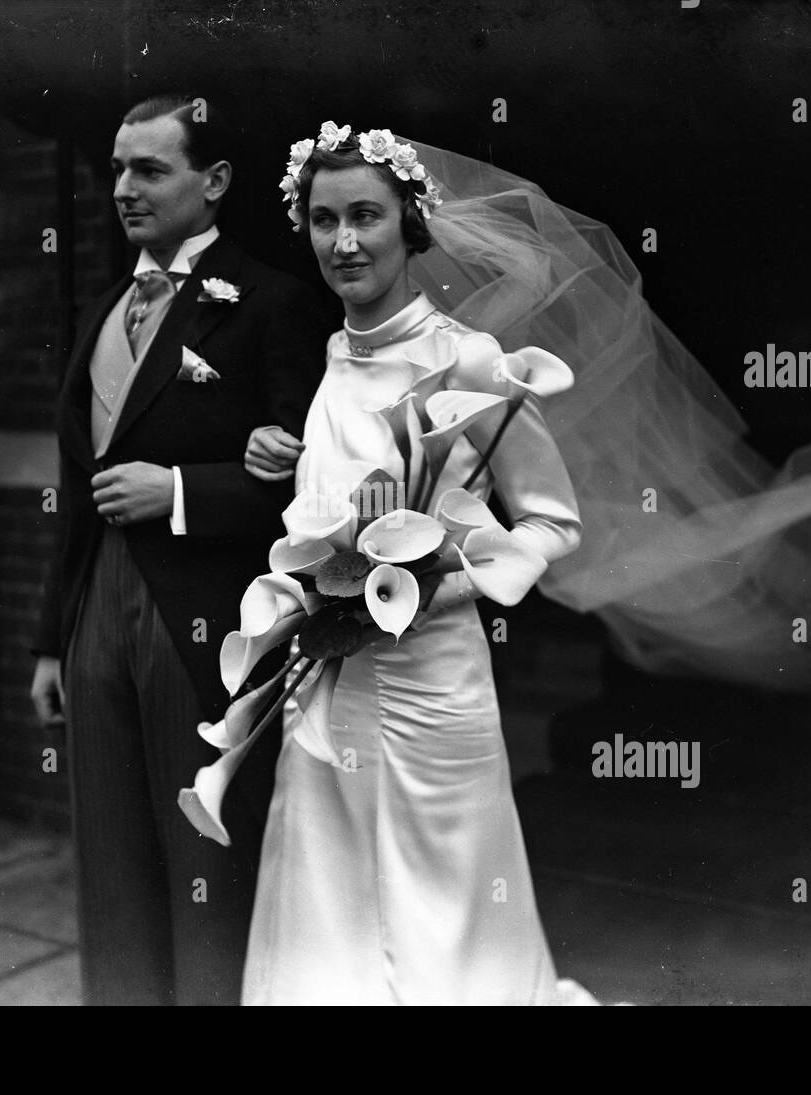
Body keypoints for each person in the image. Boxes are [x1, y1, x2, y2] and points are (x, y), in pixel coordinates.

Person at [235, 126, 595, 1004]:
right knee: (330, 909)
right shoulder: (330, 361)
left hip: (434, 682)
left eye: (366, 215)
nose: (344, 242)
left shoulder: (465, 357)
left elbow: (553, 521)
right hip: (329, 681)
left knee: (446, 917)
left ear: (410, 222)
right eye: (324, 220)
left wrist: (447, 580)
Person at [29, 95, 326, 1006]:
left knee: (205, 855)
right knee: (110, 855)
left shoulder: (271, 301)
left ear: (215, 183)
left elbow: (315, 486)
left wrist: (183, 490)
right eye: (119, 168)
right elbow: (78, 487)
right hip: (97, 617)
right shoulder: (104, 308)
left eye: (150, 169)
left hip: (206, 618)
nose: (125, 188)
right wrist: (52, 640)